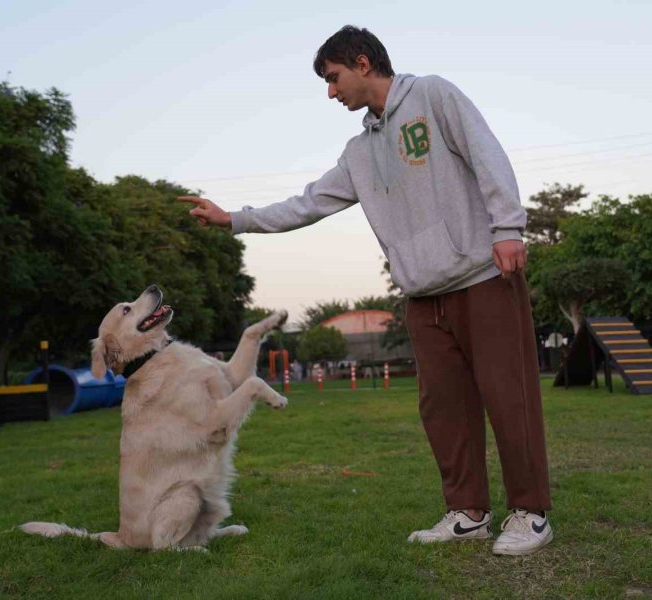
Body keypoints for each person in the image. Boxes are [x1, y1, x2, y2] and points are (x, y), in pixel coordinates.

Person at [179, 25, 552, 556]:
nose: (331, 93)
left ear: (360, 63)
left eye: (332, 79)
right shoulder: (357, 152)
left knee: (508, 398)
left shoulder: (433, 95)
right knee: (442, 408)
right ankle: (469, 512)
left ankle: (531, 512)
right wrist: (234, 218)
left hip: (483, 276)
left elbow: (486, 153)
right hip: (423, 295)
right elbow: (306, 204)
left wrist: (508, 228)